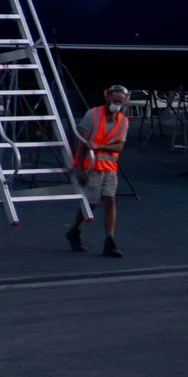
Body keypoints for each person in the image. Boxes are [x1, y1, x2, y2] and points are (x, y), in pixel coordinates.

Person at [68, 84, 131, 258]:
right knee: (91, 203)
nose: (117, 104)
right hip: (91, 167)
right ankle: (75, 229)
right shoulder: (92, 115)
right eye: (115, 100)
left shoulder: (123, 121)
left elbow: (119, 146)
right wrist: (79, 168)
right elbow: (81, 143)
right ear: (108, 97)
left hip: (110, 168)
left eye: (120, 101)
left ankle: (109, 240)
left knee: (110, 201)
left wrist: (99, 146)